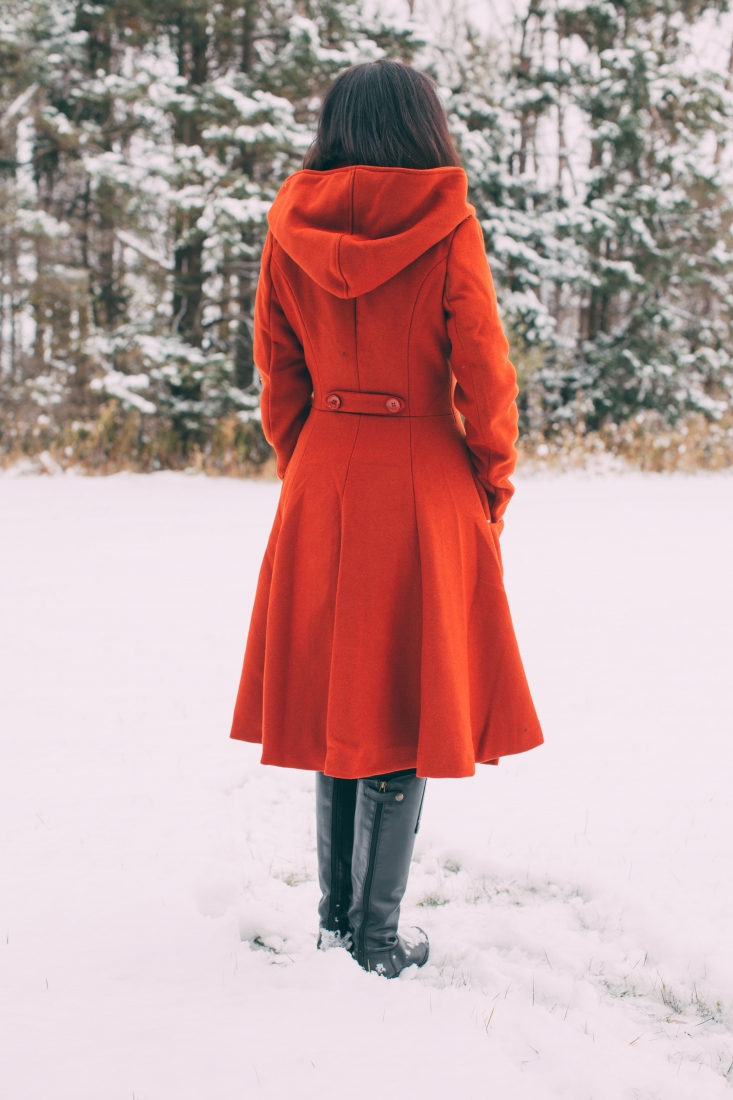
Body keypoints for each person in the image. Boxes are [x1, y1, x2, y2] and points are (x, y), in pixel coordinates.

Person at [230, 60, 543, 978]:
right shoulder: (448, 223)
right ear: (422, 126)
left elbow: (276, 370)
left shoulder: (288, 221)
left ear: (334, 125)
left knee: (341, 692)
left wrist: (310, 468)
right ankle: (375, 940)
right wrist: (489, 481)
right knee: (400, 700)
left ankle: (337, 925)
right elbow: (484, 369)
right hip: (421, 476)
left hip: (323, 475)